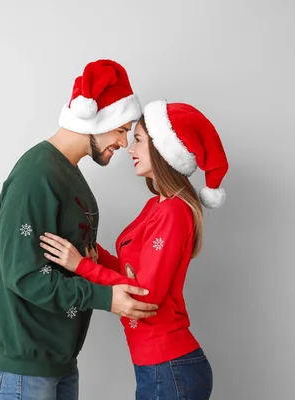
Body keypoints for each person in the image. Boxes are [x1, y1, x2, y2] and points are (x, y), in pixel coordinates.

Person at [0, 60, 159, 400]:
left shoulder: (68, 173)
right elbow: (23, 275)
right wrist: (106, 298)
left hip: (61, 359)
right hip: (27, 365)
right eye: (121, 130)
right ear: (96, 120)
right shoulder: (35, 176)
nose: (124, 143)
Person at [40, 100, 229, 400]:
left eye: (138, 139)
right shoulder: (157, 205)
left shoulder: (174, 212)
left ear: (164, 150)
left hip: (168, 367)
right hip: (160, 366)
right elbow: (137, 272)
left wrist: (82, 267)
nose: (129, 148)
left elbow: (147, 296)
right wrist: (95, 256)